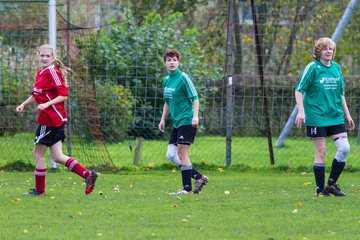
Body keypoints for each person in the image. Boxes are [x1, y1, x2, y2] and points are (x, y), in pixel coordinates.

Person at [16, 44, 98, 196]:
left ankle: (40, 191)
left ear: (53, 58)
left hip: (51, 120)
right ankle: (88, 175)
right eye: (42, 55)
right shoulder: (41, 73)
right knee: (57, 156)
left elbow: (64, 95)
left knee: (38, 155)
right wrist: (23, 104)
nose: (45, 58)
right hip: (50, 119)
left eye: (48, 56)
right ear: (37, 56)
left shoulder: (53, 72)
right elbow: (36, 95)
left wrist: (47, 104)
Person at [294, 37, 355, 197]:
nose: (329, 51)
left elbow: (340, 93)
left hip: (335, 115)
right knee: (321, 152)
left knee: (344, 148)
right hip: (317, 116)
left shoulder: (336, 68)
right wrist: (301, 111)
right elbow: (299, 90)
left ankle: (331, 184)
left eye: (331, 49)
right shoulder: (312, 68)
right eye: (325, 48)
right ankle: (320, 190)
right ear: (318, 51)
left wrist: (347, 115)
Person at [158, 49, 208, 195]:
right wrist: (162, 119)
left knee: (181, 154)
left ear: (178, 62)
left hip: (187, 120)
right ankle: (199, 177)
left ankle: (187, 189)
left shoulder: (183, 77)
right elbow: (167, 102)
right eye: (169, 60)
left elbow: (195, 97)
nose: (171, 62)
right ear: (165, 63)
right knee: (171, 155)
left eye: (174, 60)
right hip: (176, 123)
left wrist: (195, 116)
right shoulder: (166, 81)